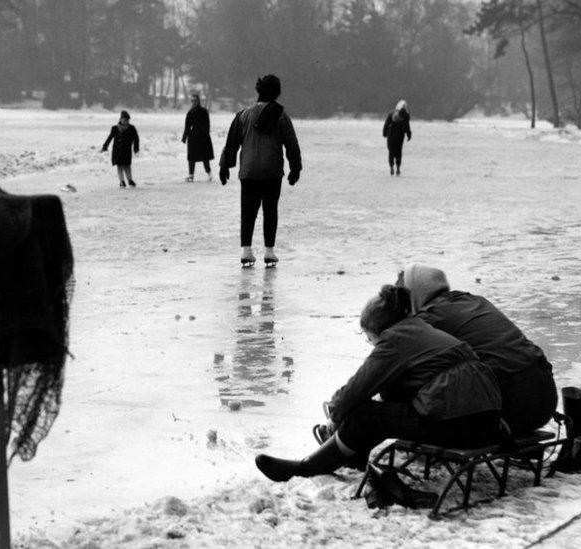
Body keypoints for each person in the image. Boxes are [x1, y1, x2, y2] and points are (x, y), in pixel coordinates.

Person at [254, 284, 503, 482]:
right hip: (489, 424)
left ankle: (306, 468)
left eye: (368, 337)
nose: (370, 343)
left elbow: (356, 390)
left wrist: (335, 413)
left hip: (460, 426)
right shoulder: (422, 330)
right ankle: (351, 456)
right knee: (383, 406)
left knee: (366, 415)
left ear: (378, 331)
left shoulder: (396, 340)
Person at [398, 264, 557, 435]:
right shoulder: (476, 301)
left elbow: (398, 365)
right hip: (545, 401)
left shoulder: (429, 319)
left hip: (506, 410)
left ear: (413, 294)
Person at [220, 74, 302, 268]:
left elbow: (231, 143)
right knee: (270, 210)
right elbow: (292, 144)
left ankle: (246, 251)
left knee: (248, 211)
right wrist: (295, 168)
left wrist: (225, 165)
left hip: (248, 172)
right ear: (277, 92)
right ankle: (269, 251)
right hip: (272, 171)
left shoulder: (243, 115)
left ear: (258, 91)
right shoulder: (281, 116)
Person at [101, 110, 140, 188]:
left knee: (127, 165)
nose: (126, 121)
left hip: (126, 150)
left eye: (127, 120)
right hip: (117, 150)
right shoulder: (115, 128)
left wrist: (136, 148)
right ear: (120, 119)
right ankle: (121, 181)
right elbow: (110, 138)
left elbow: (136, 139)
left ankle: (130, 180)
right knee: (119, 166)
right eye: (124, 119)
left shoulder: (132, 128)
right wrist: (105, 146)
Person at [182, 93, 214, 182]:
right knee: (191, 158)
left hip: (203, 137)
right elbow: (187, 126)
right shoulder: (190, 112)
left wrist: (205, 135)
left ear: (198, 101)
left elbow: (207, 125)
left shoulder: (204, 111)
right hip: (193, 138)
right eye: (192, 101)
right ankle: (191, 176)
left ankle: (209, 174)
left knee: (205, 158)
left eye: (195, 101)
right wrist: (185, 137)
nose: (193, 102)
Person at [382, 100, 412, 175]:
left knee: (391, 151)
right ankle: (398, 168)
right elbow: (407, 126)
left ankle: (391, 167)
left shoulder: (391, 114)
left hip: (391, 135)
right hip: (400, 135)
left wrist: (384, 133)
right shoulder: (405, 115)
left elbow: (386, 124)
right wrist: (408, 134)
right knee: (398, 152)